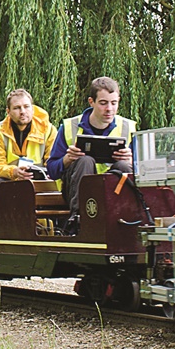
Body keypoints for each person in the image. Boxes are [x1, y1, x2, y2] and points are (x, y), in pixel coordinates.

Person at [47, 77, 136, 234]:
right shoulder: (69, 127)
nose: (109, 109)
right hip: (77, 192)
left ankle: (123, 220)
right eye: (103, 103)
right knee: (84, 160)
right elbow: (52, 170)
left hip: (112, 190)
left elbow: (143, 172)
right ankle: (79, 222)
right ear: (91, 102)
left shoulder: (128, 127)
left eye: (114, 103)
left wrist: (131, 161)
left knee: (124, 166)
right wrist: (67, 160)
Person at [0, 89, 57, 232]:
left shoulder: (48, 130)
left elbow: (53, 161)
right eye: (17, 108)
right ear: (8, 111)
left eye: (26, 106)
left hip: (38, 181)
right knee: (0, 187)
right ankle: (1, 237)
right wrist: (14, 172)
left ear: (32, 108)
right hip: (7, 180)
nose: (23, 111)